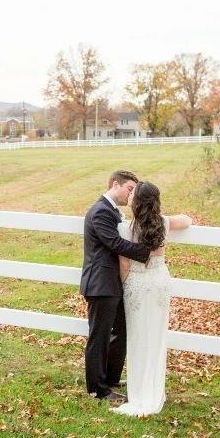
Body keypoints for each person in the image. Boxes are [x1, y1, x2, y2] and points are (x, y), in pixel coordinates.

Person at [112, 180, 192, 416]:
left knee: (137, 338)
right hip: (159, 283)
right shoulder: (164, 223)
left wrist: (124, 287)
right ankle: (154, 389)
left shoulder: (125, 228)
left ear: (137, 202)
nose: (129, 197)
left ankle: (139, 392)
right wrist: (188, 218)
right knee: (156, 336)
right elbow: (186, 220)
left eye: (132, 194)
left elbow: (124, 265)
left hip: (137, 284)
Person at [80, 170, 151, 403]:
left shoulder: (113, 211)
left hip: (114, 282)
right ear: (115, 184)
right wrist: (146, 252)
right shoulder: (100, 211)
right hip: (101, 283)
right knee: (99, 336)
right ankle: (98, 389)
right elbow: (114, 242)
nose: (132, 194)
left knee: (121, 331)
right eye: (130, 189)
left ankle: (110, 378)